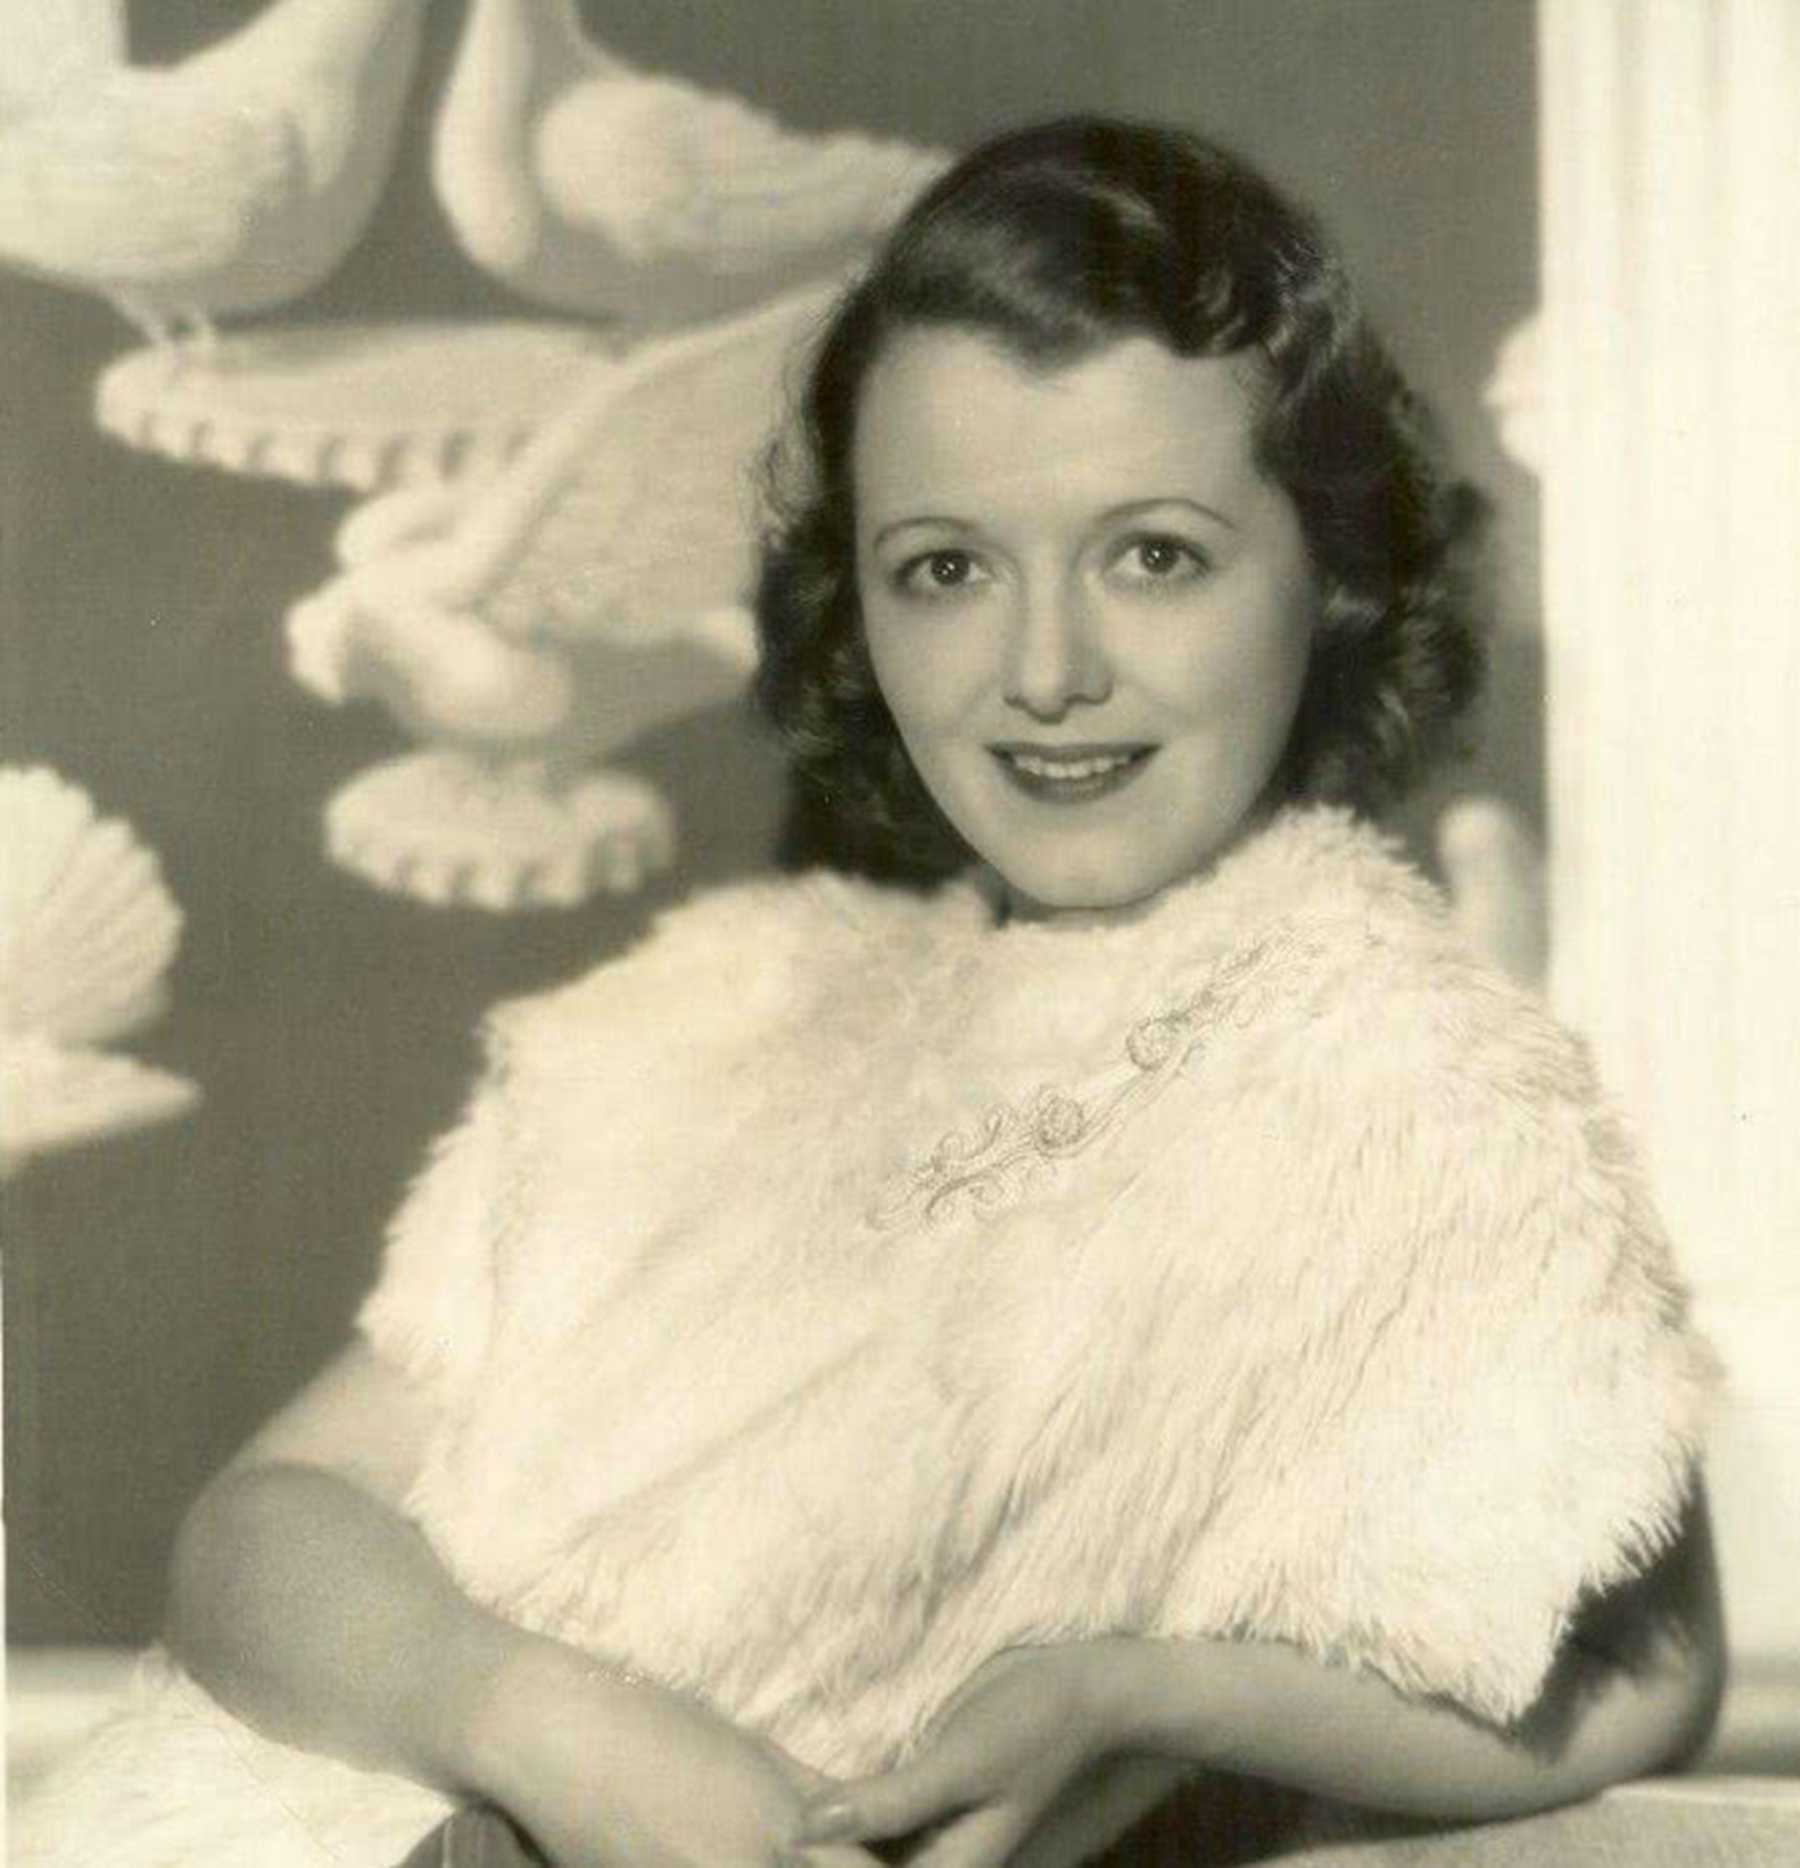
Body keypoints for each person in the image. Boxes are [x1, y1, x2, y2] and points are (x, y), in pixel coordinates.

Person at [18, 118, 1723, 1868]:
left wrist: (1146, 1695)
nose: (1044, 671)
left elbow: (1642, 1669)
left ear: (1334, 577)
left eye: (1153, 555)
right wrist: (533, 1717)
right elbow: (262, 1526)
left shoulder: (1420, 1086)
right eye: (947, 569)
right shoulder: (709, 1016)